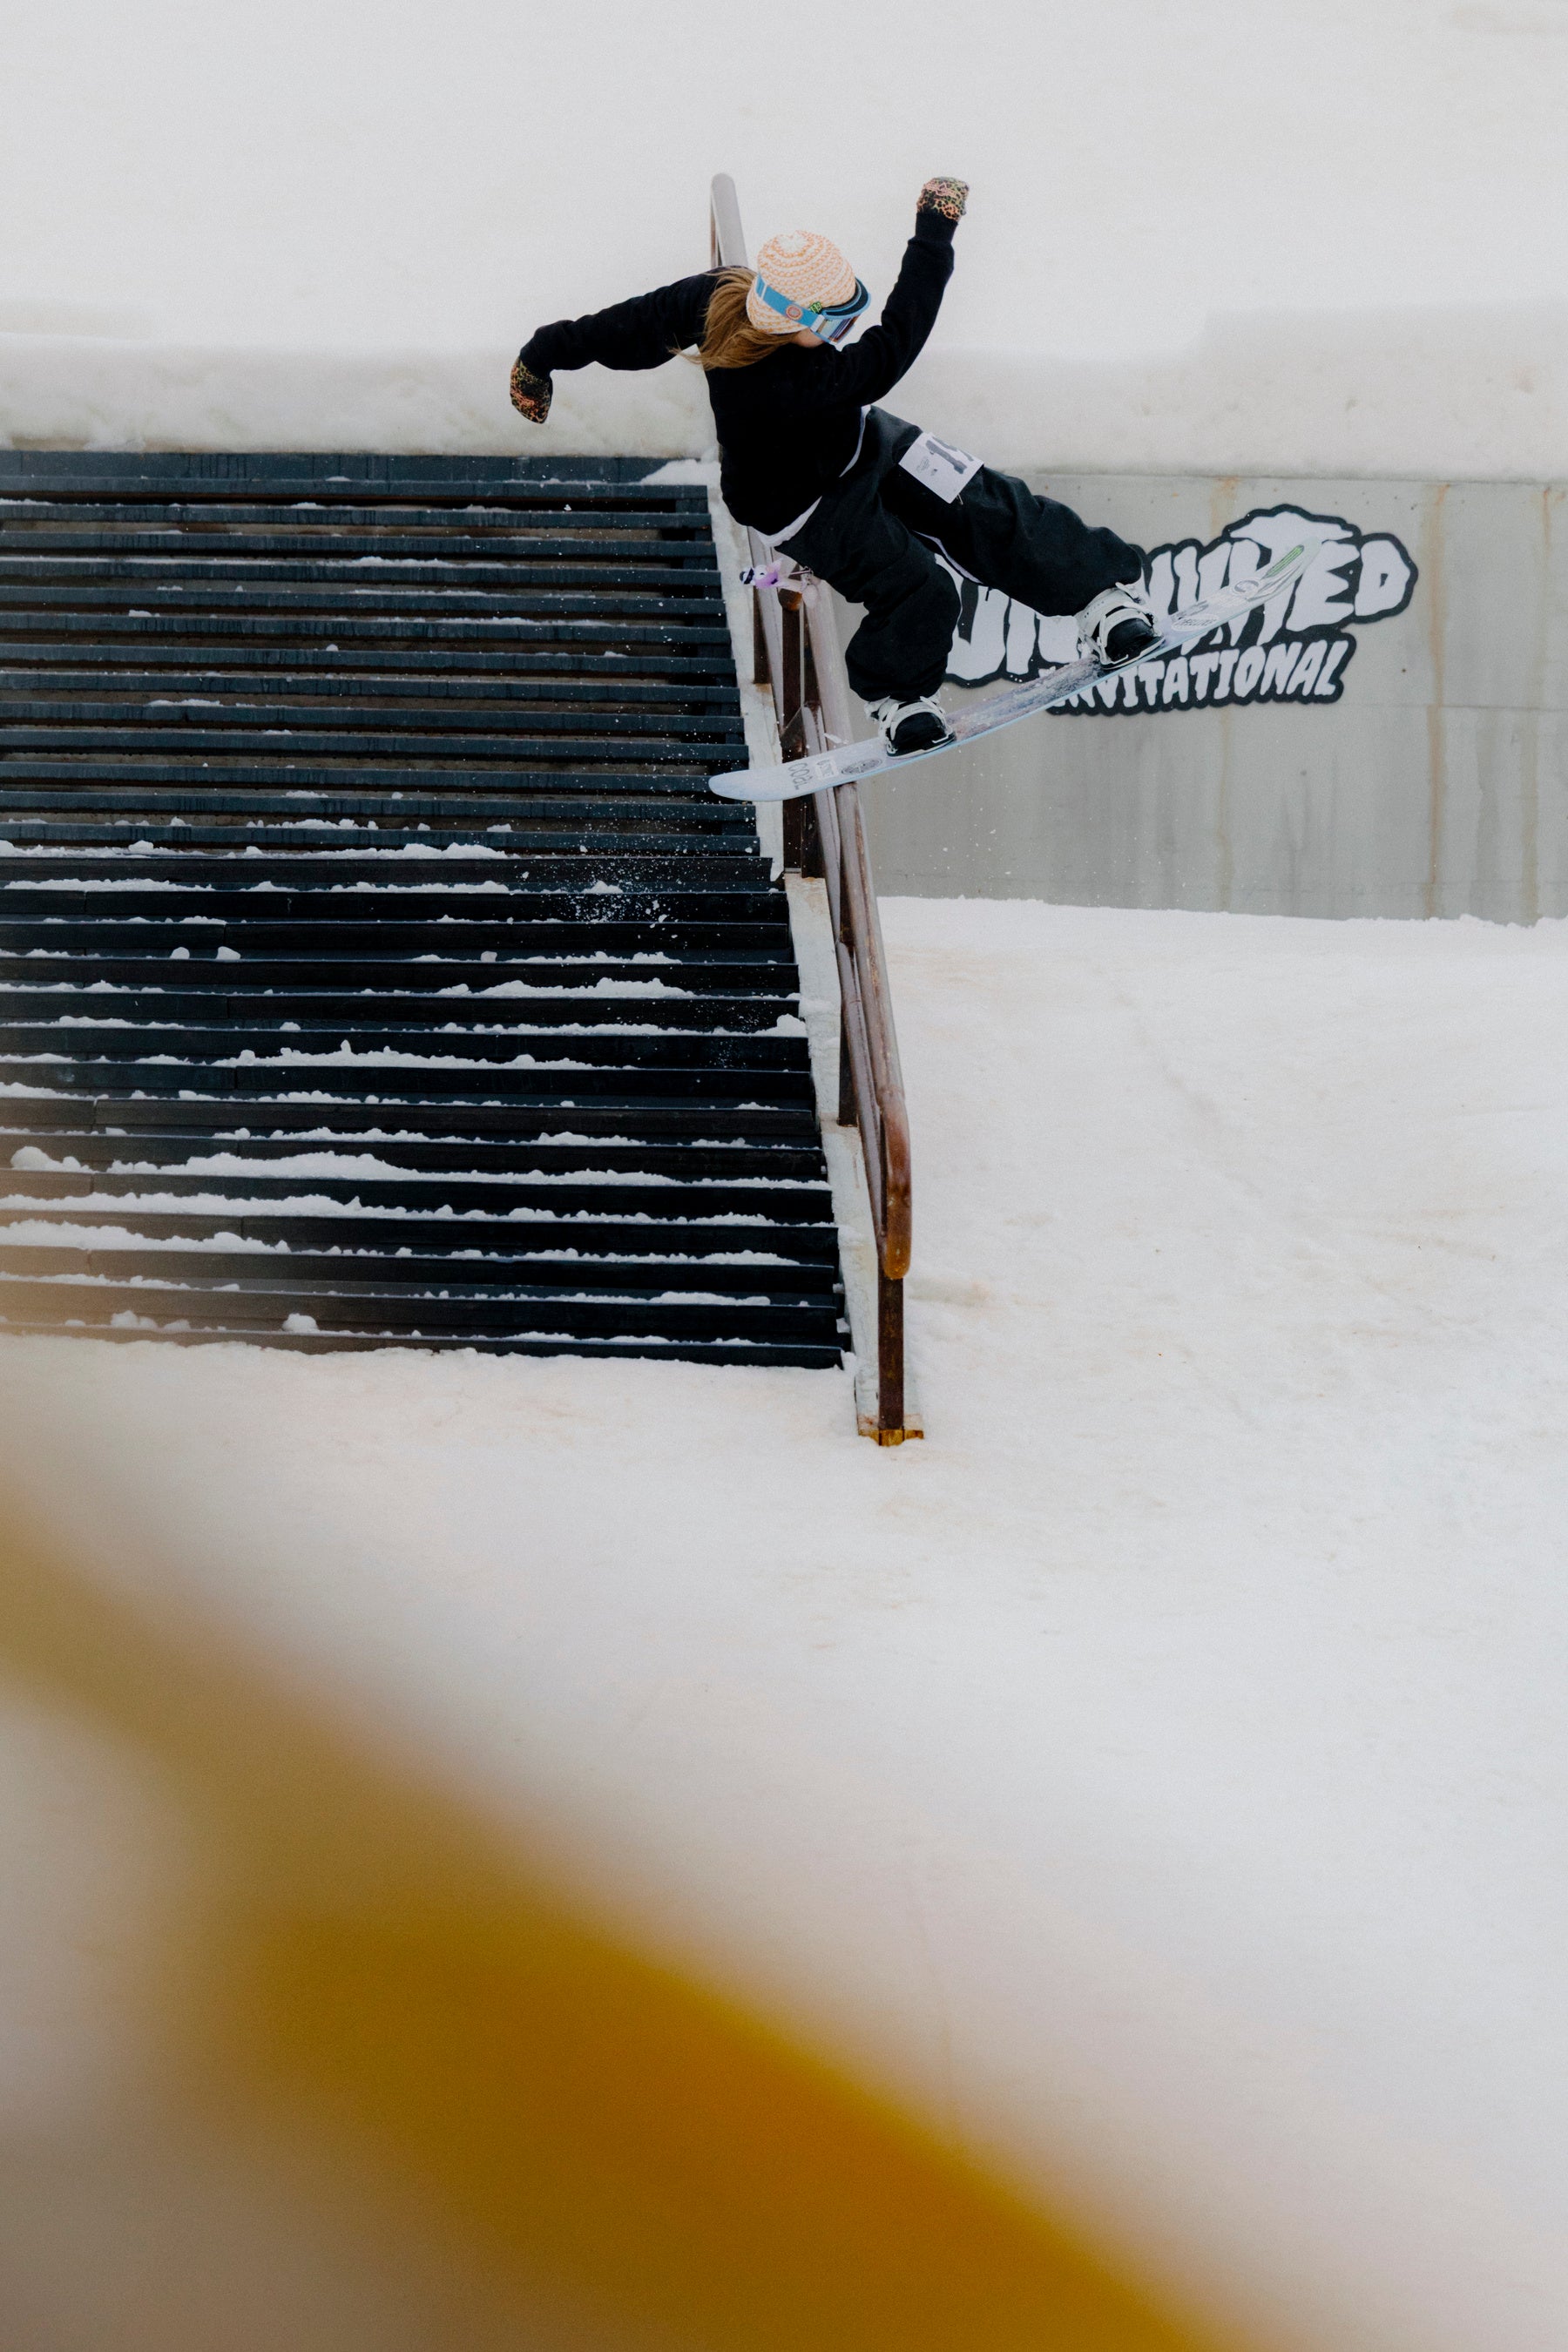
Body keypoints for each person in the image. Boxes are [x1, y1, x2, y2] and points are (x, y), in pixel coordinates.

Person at [510, 179, 1154, 758]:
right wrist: (934, 232)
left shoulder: (720, 292)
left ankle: (1100, 598)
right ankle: (900, 699)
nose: (848, 331)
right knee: (918, 587)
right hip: (806, 505)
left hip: (860, 437)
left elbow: (619, 328)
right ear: (799, 320)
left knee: (978, 500)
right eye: (841, 320)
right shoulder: (805, 382)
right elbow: (900, 335)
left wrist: (540, 355)